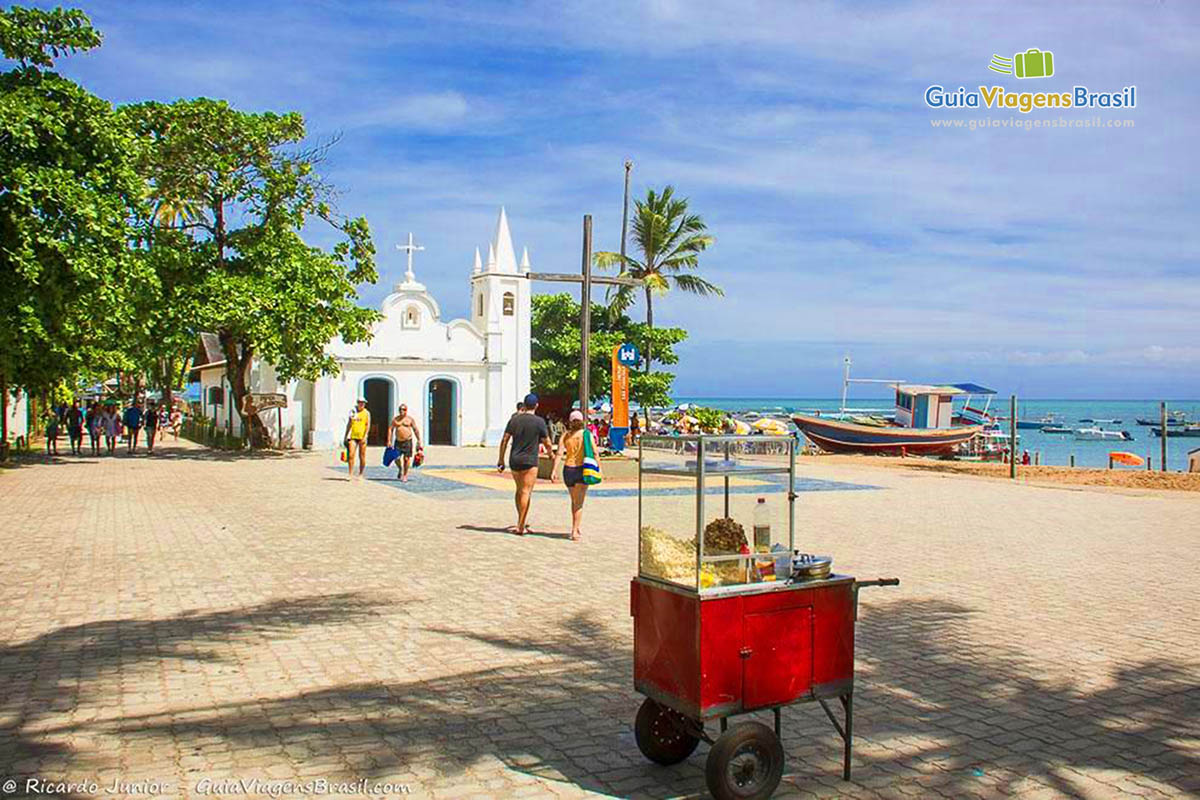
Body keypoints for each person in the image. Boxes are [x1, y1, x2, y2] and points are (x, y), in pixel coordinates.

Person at [497, 393, 553, 535]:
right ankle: (521, 525)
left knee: (519, 490)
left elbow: (504, 439)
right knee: (526, 491)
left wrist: (501, 459)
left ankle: (521, 520)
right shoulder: (539, 422)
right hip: (530, 460)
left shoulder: (514, 420)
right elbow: (547, 441)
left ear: (524, 405)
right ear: (536, 405)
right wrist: (550, 454)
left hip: (515, 459)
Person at [551, 410, 591, 541]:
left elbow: (559, 453)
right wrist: (600, 468)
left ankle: (576, 526)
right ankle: (574, 530)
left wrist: (554, 470)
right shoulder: (586, 435)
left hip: (568, 469)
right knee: (579, 502)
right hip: (581, 469)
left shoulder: (565, 436)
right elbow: (595, 453)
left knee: (574, 500)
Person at [388, 403, 422, 482]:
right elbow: (390, 429)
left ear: (406, 410)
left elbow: (415, 429)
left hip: (407, 441)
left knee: (406, 459)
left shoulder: (410, 419)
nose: (401, 411)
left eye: (403, 409)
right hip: (398, 441)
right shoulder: (395, 419)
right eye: (400, 409)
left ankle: (405, 474)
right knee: (396, 458)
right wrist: (389, 440)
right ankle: (400, 468)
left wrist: (419, 440)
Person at [343, 398, 370, 479]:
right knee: (351, 455)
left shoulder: (366, 413)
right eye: (360, 403)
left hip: (362, 436)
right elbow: (349, 424)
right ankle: (350, 473)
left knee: (362, 456)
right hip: (353, 436)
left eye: (363, 403)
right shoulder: (353, 412)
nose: (361, 404)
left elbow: (367, 425)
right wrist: (346, 435)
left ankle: (361, 473)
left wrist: (365, 436)